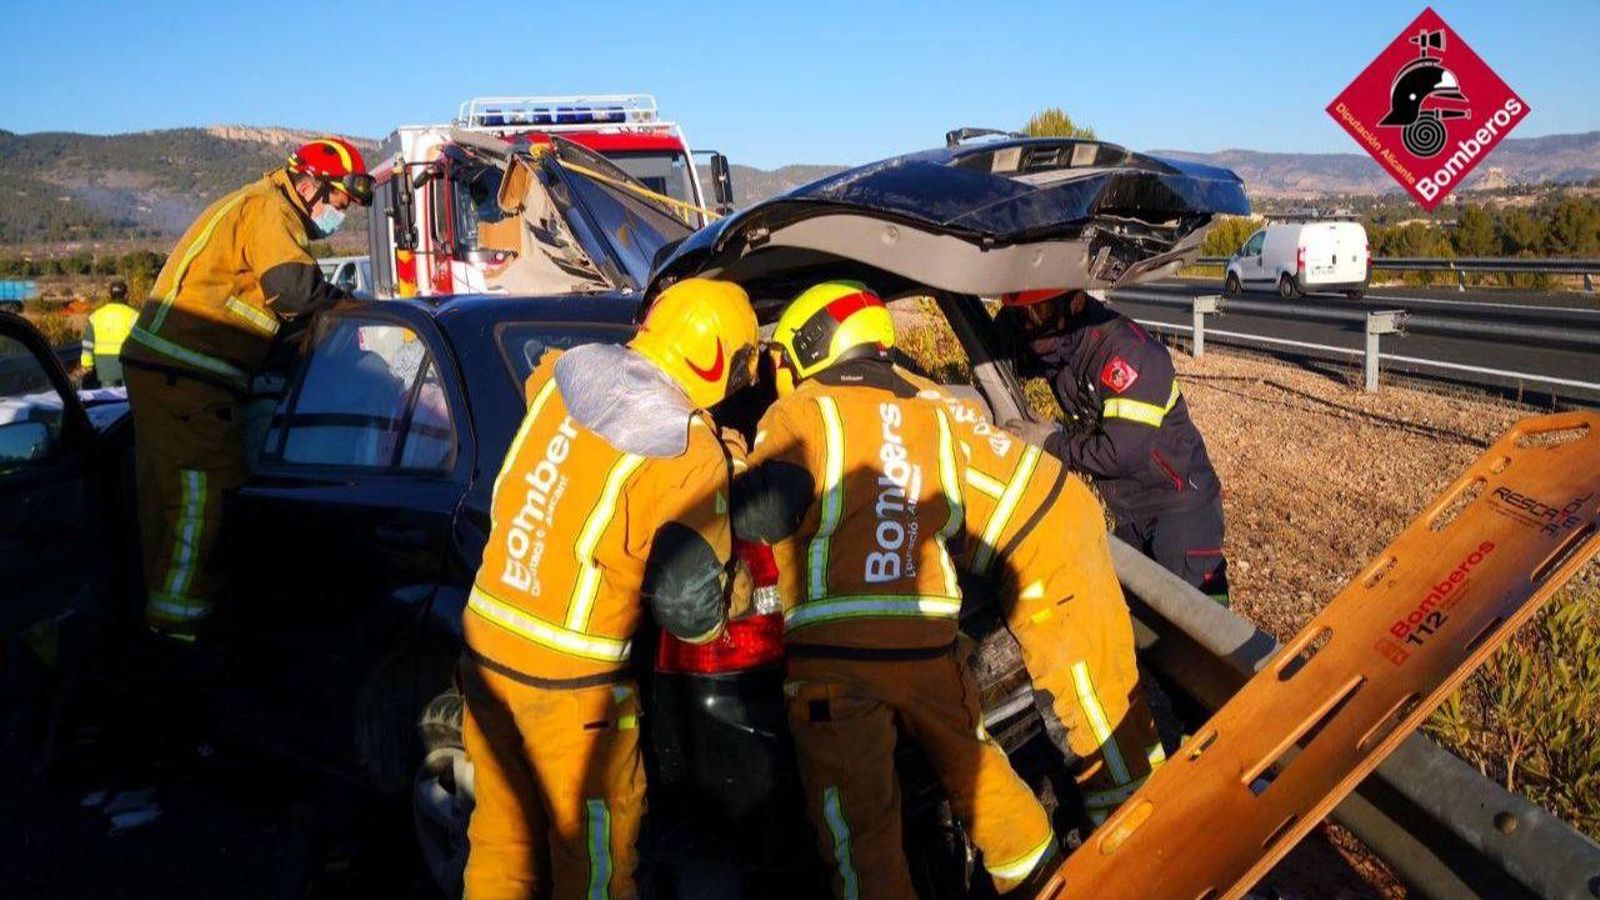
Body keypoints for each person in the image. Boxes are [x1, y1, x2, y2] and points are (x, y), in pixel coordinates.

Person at [733, 281, 1062, 898]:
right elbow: (957, 521)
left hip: (838, 664)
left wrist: (730, 462)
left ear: (812, 340)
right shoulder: (932, 408)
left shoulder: (805, 410)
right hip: (930, 649)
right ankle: (1050, 880)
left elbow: (759, 517)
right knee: (983, 780)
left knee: (862, 832)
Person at [459, 277, 758, 900]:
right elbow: (691, 612)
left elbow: (588, 449)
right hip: (571, 687)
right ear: (720, 362)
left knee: (501, 843)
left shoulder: (564, 374)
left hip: (486, 646)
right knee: (593, 859)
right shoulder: (689, 452)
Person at [120, 137, 372, 639]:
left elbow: (269, 312)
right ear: (310, 185)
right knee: (202, 501)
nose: (337, 217)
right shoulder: (269, 210)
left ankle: (155, 627)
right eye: (338, 203)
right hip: (189, 375)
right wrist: (355, 311)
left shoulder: (256, 206)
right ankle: (179, 637)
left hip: (174, 373)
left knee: (167, 499)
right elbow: (295, 292)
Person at [921, 383, 1167, 827]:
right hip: (1061, 507)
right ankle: (1161, 790)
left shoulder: (849, 429)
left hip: (1039, 546)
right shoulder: (907, 391)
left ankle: (1130, 832)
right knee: (1112, 673)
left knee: (1085, 702)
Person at [999, 289, 1230, 605]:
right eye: (1021, 314)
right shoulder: (1059, 344)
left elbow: (1121, 452)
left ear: (1076, 301)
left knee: (1199, 630)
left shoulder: (1128, 354)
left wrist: (1050, 442)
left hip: (1180, 510)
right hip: (1130, 509)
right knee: (1137, 620)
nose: (1030, 323)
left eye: (1039, 310)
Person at [80, 280, 137, 387]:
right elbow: (140, 343)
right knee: (127, 398)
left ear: (109, 295)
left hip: (104, 365)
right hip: (126, 363)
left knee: (109, 396)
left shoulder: (96, 316)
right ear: (126, 295)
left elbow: (88, 342)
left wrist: (86, 364)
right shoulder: (134, 315)